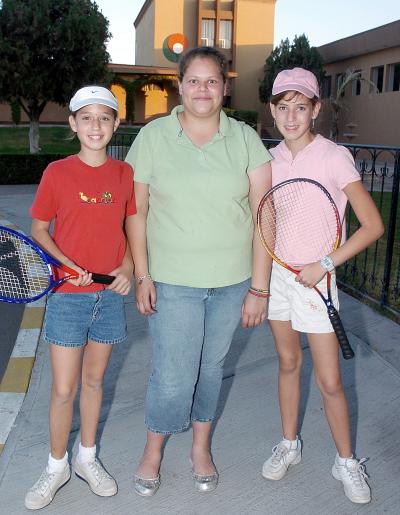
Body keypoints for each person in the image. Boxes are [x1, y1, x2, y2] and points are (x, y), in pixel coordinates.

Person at [125, 46, 272, 496]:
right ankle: (153, 450)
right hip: (172, 281)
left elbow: (265, 214)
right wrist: (143, 275)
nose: (202, 89)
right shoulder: (153, 137)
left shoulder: (245, 137)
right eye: (194, 80)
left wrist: (260, 288)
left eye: (212, 81)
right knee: (172, 374)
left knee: (211, 369)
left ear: (225, 88)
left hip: (232, 282)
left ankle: (201, 448)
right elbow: (137, 212)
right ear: (180, 85)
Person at [261, 67, 384, 504]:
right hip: (279, 278)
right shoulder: (270, 160)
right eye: (282, 107)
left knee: (330, 381)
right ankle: (289, 444)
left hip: (317, 280)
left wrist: (324, 264)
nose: (290, 116)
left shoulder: (334, 156)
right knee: (288, 363)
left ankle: (346, 460)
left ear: (315, 109)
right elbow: (268, 222)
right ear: (272, 110)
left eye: (300, 107)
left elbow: (372, 225)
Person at [24, 86, 136, 510]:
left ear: (115, 124)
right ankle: (57, 466)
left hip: (108, 298)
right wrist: (66, 263)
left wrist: (126, 269)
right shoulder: (57, 172)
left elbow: (130, 231)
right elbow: (38, 229)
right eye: (86, 118)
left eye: (104, 118)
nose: (95, 126)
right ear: (72, 124)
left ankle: (87, 458)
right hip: (68, 297)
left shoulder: (124, 175)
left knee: (94, 382)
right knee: (64, 389)